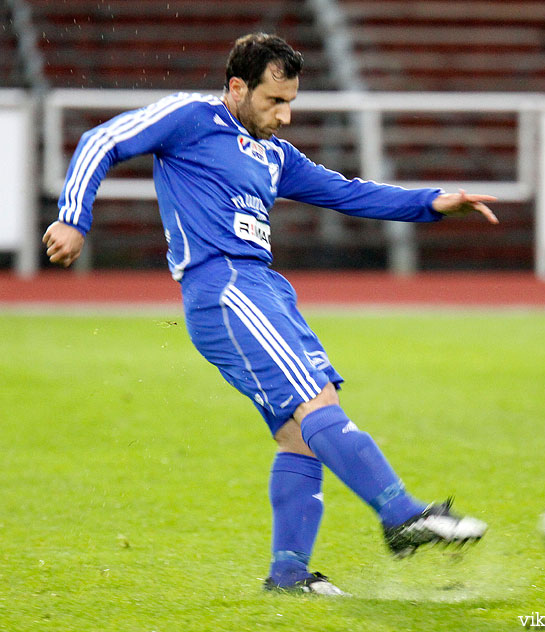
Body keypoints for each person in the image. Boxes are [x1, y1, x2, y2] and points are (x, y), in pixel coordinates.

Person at [43, 33, 498, 596]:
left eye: (290, 104)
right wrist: (73, 217)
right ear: (237, 87)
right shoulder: (192, 116)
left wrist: (431, 202)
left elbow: (348, 193)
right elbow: (101, 139)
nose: (284, 117)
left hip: (264, 290)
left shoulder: (274, 155)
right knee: (317, 404)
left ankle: (289, 575)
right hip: (225, 286)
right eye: (273, 102)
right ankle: (401, 515)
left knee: (299, 435)